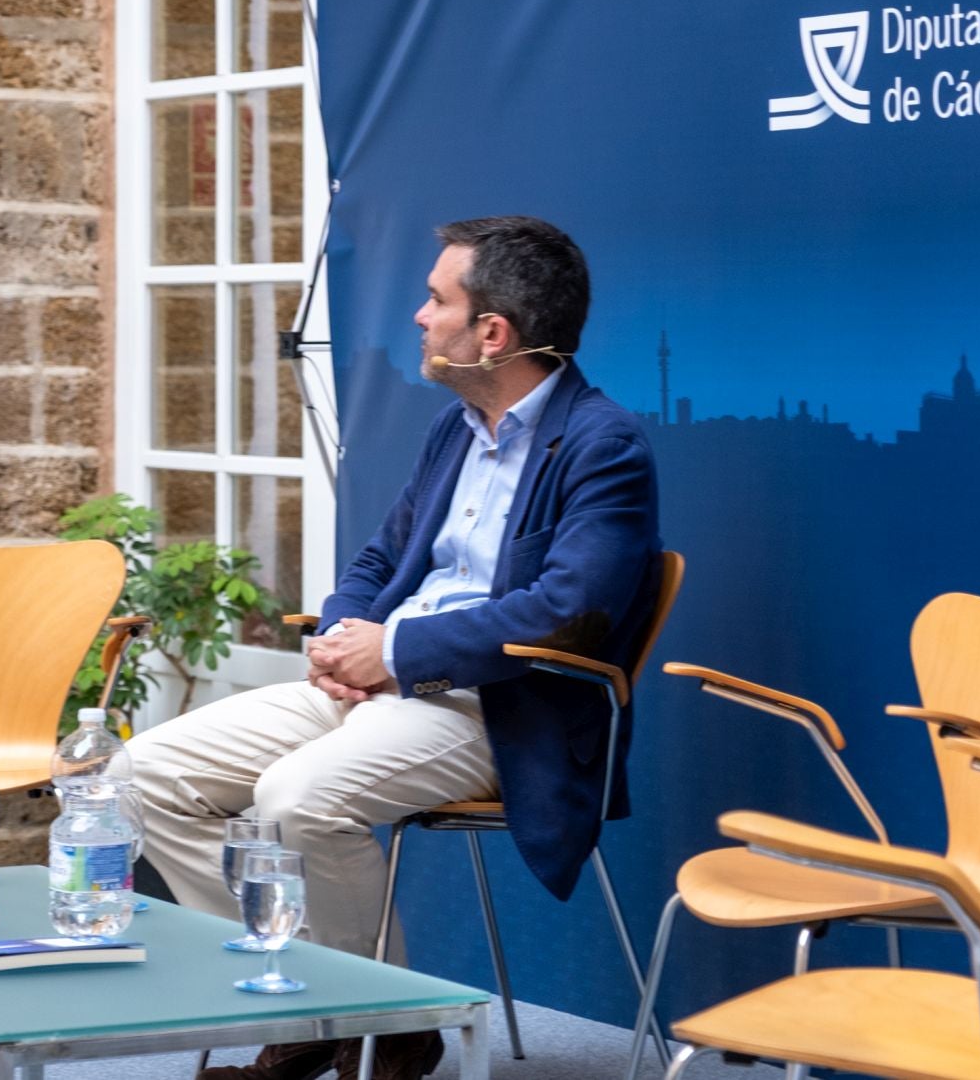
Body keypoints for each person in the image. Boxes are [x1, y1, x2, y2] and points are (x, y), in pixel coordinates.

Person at [130, 216, 662, 1080]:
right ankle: (317, 1006)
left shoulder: (604, 446)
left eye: (436, 298)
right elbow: (383, 558)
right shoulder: (455, 428)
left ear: (492, 333)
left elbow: (569, 609)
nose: (418, 316)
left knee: (293, 797)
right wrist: (345, 634)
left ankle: (380, 1023)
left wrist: (400, 650)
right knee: (141, 776)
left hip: (493, 704)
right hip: (379, 681)